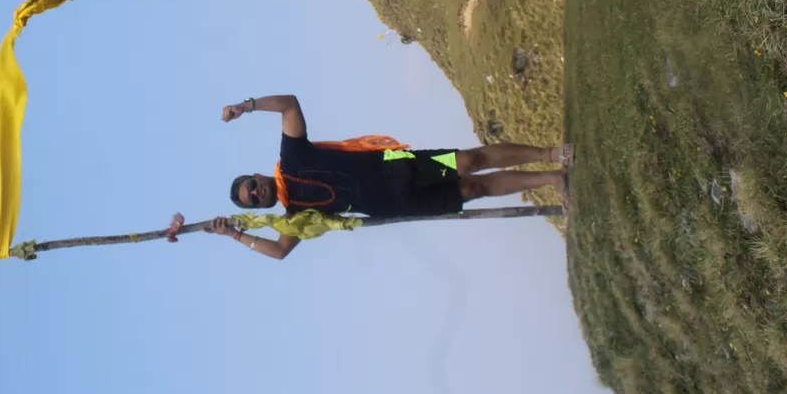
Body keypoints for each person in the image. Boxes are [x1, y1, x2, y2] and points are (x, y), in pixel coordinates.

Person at [208, 94, 571, 259]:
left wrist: (247, 106)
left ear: (257, 175)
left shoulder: (291, 156)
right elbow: (279, 251)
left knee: (469, 161)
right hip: (394, 203)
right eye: (252, 199)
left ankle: (552, 153)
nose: (256, 195)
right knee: (473, 189)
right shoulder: (296, 218)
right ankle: (553, 178)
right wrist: (236, 234)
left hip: (395, 164)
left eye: (251, 187)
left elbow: (290, 104)